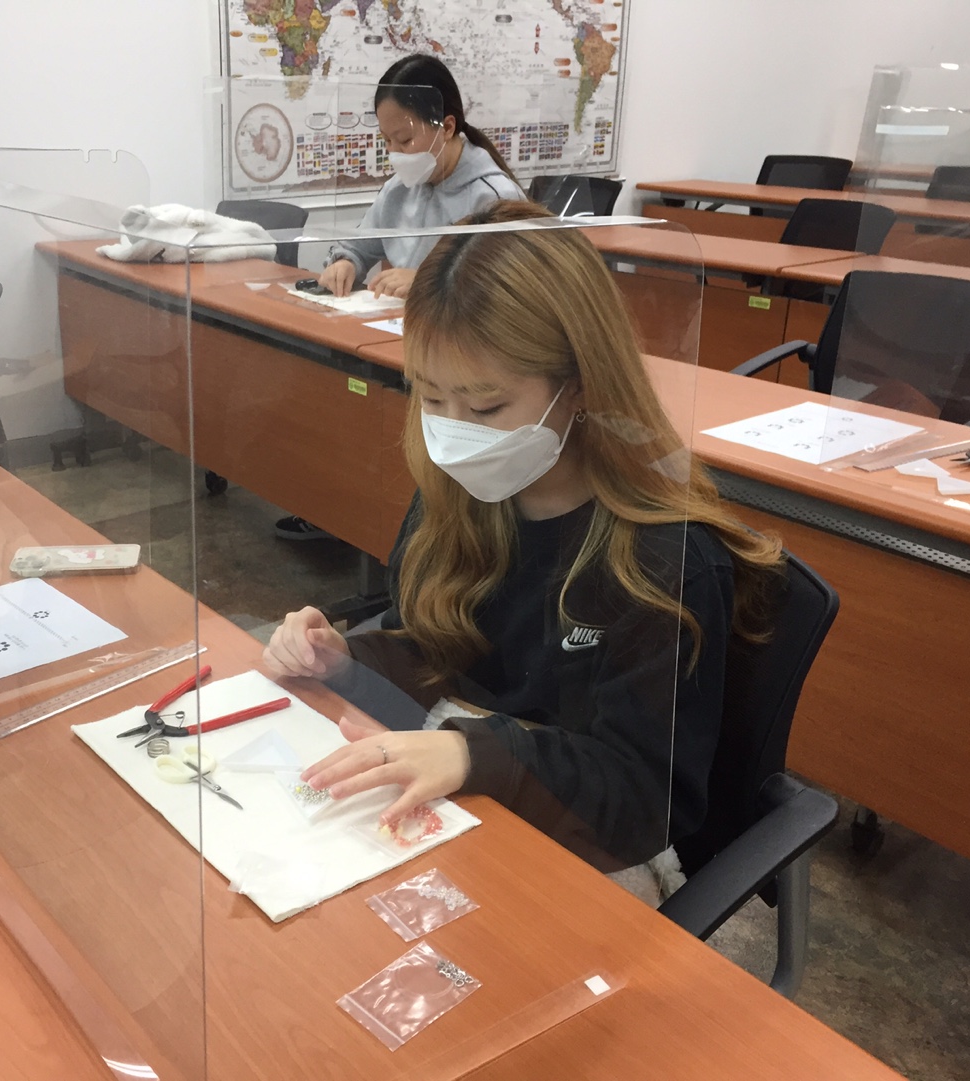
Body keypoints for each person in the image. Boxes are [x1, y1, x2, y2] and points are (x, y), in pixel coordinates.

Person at [262, 202, 785, 882]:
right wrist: (346, 661)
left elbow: (642, 801)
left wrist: (476, 753)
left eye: (485, 407)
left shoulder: (663, 561)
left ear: (578, 386)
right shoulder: (463, 495)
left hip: (598, 841)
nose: (454, 433)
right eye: (431, 398)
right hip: (480, 781)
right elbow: (443, 653)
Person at [277, 54, 522, 541]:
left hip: (458, 367)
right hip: (394, 342)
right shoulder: (400, 189)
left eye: (404, 140)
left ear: (446, 126)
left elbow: (511, 301)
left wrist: (432, 281)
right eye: (387, 141)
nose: (394, 152)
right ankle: (340, 509)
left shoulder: (494, 197)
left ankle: (407, 531)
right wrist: (345, 261)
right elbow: (361, 243)